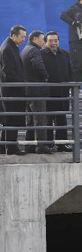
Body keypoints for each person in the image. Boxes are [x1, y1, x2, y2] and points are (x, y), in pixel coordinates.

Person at [42, 31, 73, 152]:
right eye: (50, 41)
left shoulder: (65, 54)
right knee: (48, 120)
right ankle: (49, 143)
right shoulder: (42, 54)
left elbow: (70, 71)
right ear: (45, 42)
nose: (53, 43)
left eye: (56, 40)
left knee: (62, 119)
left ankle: (62, 143)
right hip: (48, 94)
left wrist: (69, 85)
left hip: (62, 93)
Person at [21, 31, 51, 153]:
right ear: (34, 39)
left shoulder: (25, 50)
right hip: (37, 90)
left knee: (30, 120)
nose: (43, 42)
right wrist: (46, 77)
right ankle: (41, 146)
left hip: (28, 90)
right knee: (39, 118)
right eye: (42, 39)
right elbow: (38, 65)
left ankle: (29, 145)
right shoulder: (34, 50)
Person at [0, 25, 27, 155]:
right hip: (11, 91)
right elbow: (8, 72)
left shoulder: (11, 47)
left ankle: (4, 147)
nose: (23, 40)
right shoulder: (7, 48)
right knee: (11, 119)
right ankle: (11, 148)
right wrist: (20, 84)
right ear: (14, 35)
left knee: (10, 120)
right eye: (22, 37)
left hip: (13, 90)